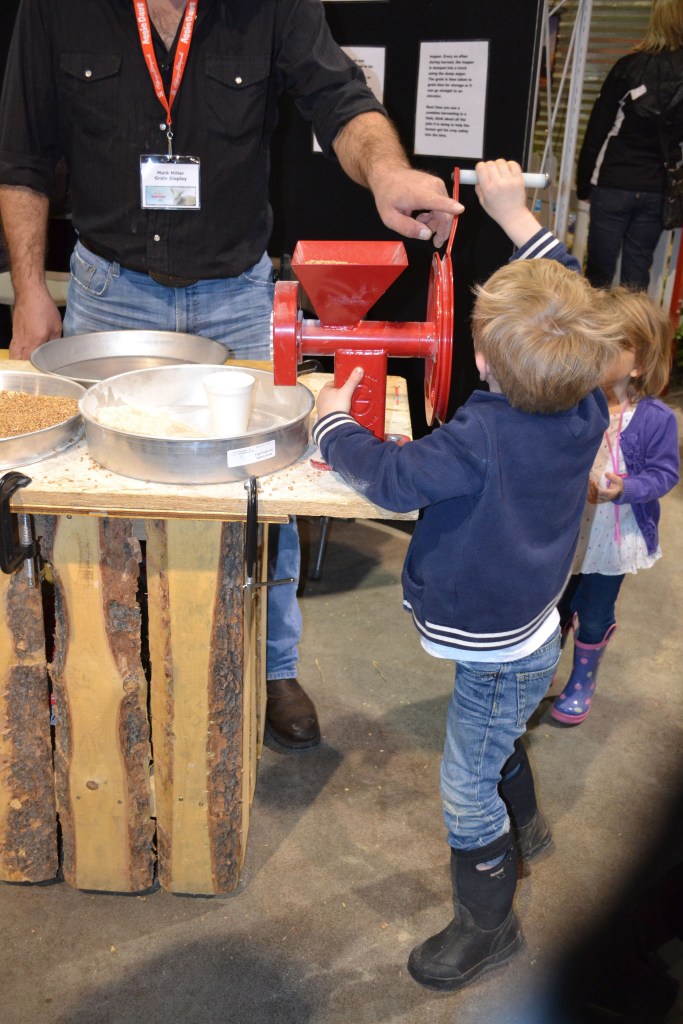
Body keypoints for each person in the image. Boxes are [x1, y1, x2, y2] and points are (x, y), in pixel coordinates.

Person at [0, 0, 461, 750]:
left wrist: (387, 173)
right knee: (100, 494)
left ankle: (273, 664)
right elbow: (19, 155)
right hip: (111, 293)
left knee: (262, 486)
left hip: (239, 300)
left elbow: (341, 100)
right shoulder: (58, 9)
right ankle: (102, 662)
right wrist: (27, 290)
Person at [310, 158, 622, 991]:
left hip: (494, 647)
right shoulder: (584, 397)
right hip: (530, 626)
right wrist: (512, 213)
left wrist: (330, 420)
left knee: (463, 786)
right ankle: (530, 834)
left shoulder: (473, 441)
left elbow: (388, 478)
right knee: (501, 726)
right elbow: (572, 295)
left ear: (481, 364)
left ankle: (489, 929)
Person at [551, 286, 680, 726]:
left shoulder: (655, 419)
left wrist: (625, 488)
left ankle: (582, 680)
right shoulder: (573, 401)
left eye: (613, 344)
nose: (598, 351)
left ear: (641, 362)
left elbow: (666, 475)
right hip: (567, 530)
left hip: (613, 538)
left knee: (595, 611)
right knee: (554, 604)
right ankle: (542, 670)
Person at [576, 0, 683, 289]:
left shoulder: (628, 67)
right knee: (636, 274)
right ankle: (633, 335)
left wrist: (584, 185)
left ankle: (592, 334)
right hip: (655, 188)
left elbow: (597, 130)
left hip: (614, 181)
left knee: (598, 275)